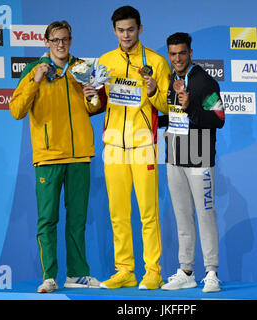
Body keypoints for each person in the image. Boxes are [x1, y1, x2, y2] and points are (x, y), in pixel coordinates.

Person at [9, 20, 101, 293]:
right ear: (46, 42)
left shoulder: (82, 68)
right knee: (47, 219)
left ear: (71, 40)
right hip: (48, 156)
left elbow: (94, 107)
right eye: (56, 39)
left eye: (66, 39)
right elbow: (16, 110)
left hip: (79, 155)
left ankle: (77, 274)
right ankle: (49, 275)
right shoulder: (33, 70)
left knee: (77, 219)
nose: (61, 44)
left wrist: (91, 97)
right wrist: (35, 82)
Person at [96, 6, 171, 290]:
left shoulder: (155, 61)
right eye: (120, 30)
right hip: (113, 145)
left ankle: (153, 270)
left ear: (140, 28)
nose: (126, 35)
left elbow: (165, 105)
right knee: (118, 213)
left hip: (143, 145)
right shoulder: (105, 61)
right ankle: (125, 270)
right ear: (114, 31)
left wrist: (152, 91)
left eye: (130, 29)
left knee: (148, 213)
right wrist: (92, 96)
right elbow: (97, 103)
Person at [159, 32, 225, 292]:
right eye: (173, 54)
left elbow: (218, 118)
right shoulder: (171, 80)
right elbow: (174, 119)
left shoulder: (204, 82)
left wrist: (192, 109)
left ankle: (211, 273)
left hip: (199, 159)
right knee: (182, 217)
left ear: (190, 53)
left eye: (182, 53)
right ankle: (186, 271)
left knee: (205, 215)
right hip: (174, 157)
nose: (177, 58)